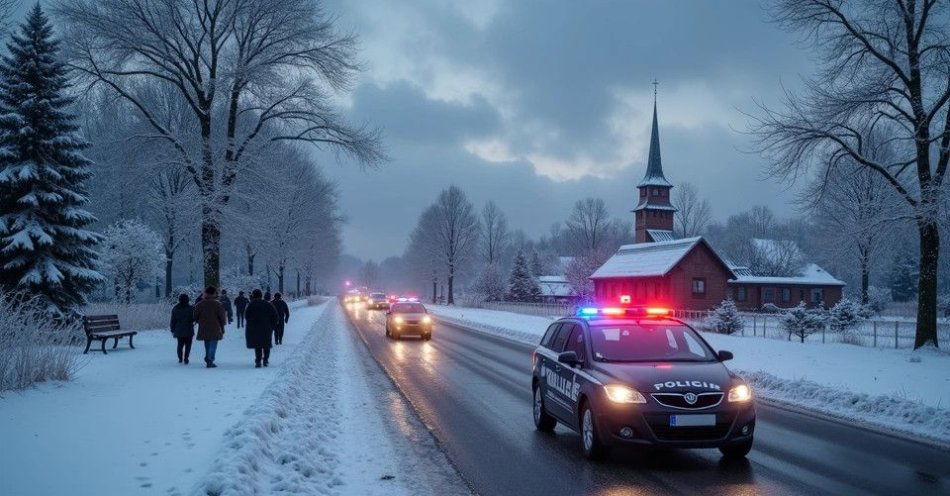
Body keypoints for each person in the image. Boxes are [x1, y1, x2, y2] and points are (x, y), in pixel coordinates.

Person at [194, 286, 226, 368]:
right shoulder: (218, 304)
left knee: (207, 343)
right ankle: (210, 359)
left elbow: (195, 316)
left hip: (204, 326)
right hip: (215, 326)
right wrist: (222, 326)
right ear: (214, 293)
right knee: (213, 344)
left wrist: (199, 321)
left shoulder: (200, 304)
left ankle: (208, 357)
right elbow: (222, 317)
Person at [244, 289, 277, 368]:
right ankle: (265, 360)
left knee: (257, 345)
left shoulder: (251, 305)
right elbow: (275, 315)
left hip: (254, 327)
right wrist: (272, 325)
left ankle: (258, 360)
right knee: (266, 344)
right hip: (266, 327)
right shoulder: (267, 304)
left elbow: (247, 316)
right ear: (261, 295)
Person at [169, 293, 195, 364]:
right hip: (189, 329)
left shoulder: (175, 308)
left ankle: (180, 358)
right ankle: (186, 358)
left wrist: (172, 329)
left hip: (179, 330)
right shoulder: (191, 308)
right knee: (188, 345)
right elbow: (194, 318)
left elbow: (173, 320)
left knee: (180, 345)